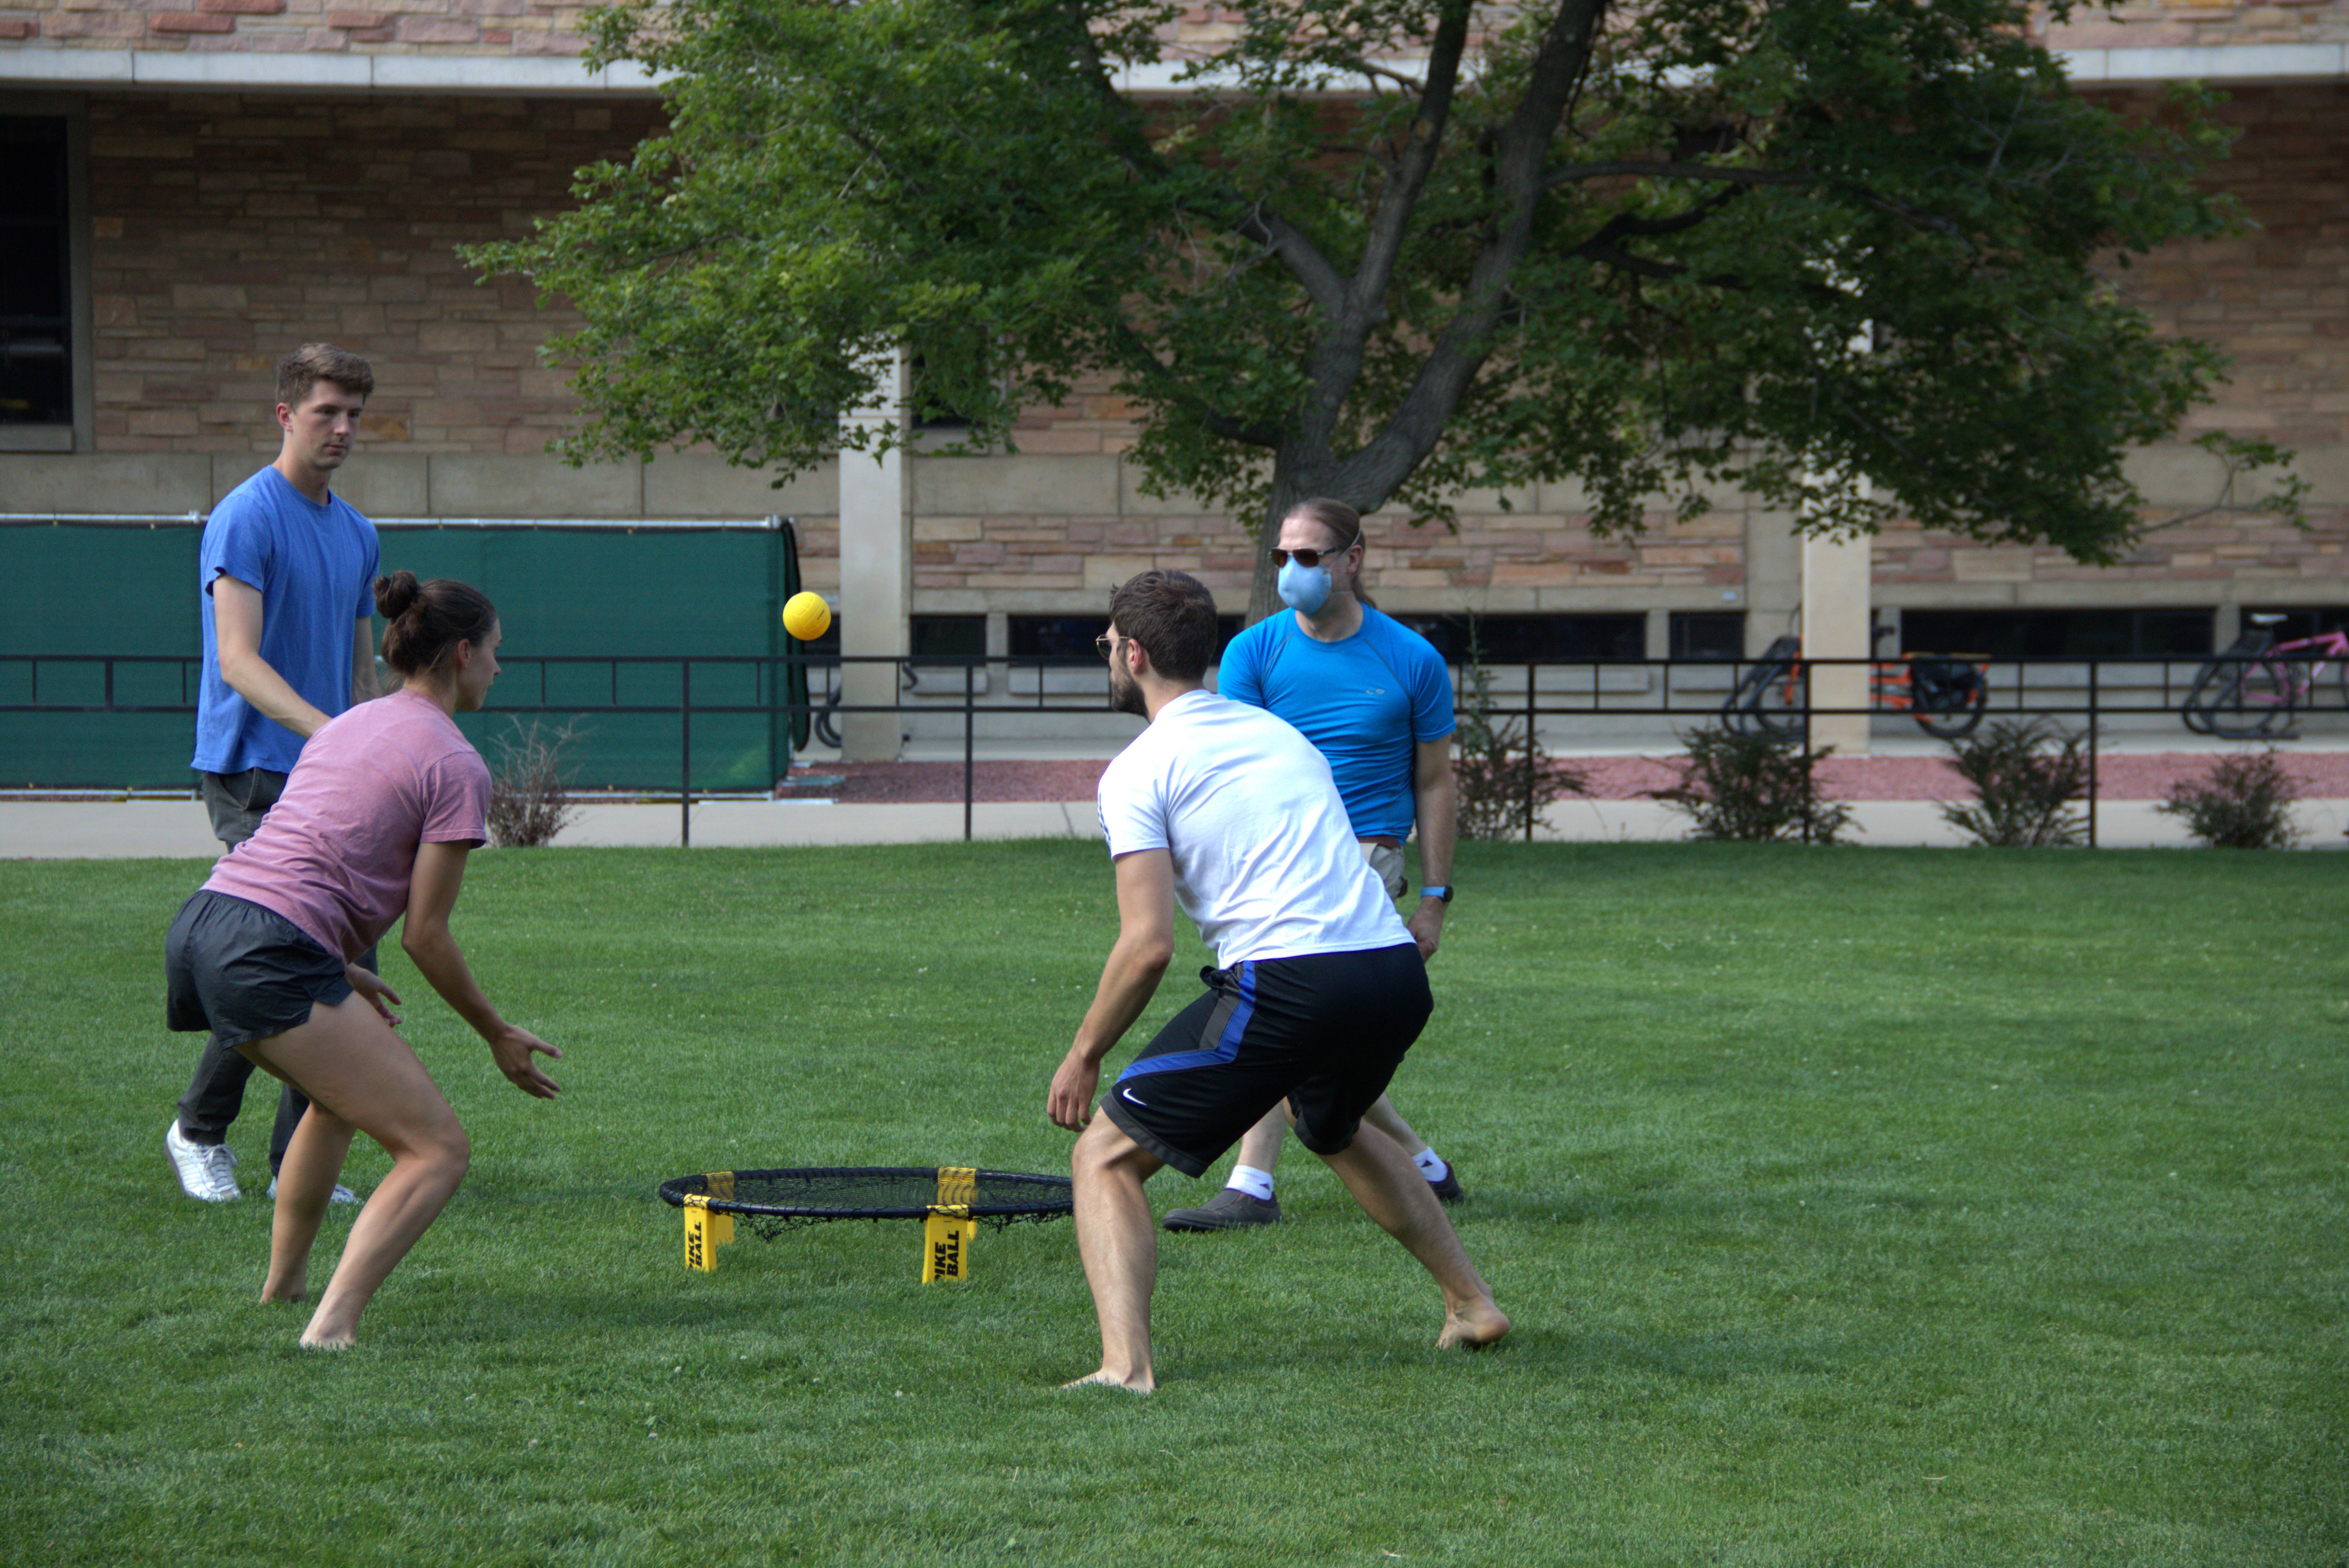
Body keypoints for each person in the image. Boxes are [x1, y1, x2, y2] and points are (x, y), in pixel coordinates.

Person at [1047, 570, 1507, 1391]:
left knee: (1106, 1156)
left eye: (1107, 642)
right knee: (1331, 1125)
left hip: (1295, 981)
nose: (1104, 654)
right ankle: (1472, 1302)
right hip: (1393, 973)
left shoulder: (1139, 770)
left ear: (1137, 653)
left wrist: (1085, 1053)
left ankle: (1126, 1367)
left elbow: (1146, 945)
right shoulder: (1278, 735)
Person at [163, 572, 562, 1350]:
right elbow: (426, 936)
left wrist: (334, 967)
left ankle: (284, 1290)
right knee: (437, 1148)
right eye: (494, 652)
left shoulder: (348, 726)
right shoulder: (456, 764)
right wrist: (495, 1032)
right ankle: (333, 1325)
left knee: (339, 1099)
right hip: (267, 949)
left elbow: (302, 855)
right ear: (460, 652)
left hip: (206, 922)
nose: (498, 668)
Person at [1159, 497, 1461, 1232]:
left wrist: (1434, 897)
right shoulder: (1253, 653)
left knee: (1282, 1010)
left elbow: (1435, 782)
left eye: (1307, 556)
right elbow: (1234, 770)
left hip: (1365, 852)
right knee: (1315, 1035)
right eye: (1280, 556)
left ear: (1351, 560)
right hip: (1278, 855)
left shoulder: (1410, 659)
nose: (1291, 569)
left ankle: (1252, 1185)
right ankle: (1424, 1164)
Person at [166, 343, 384, 1207]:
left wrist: (374, 746)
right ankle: (198, 1129)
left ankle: (300, 1161)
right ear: (285, 415)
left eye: (355, 415)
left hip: (331, 773)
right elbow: (239, 661)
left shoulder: (359, 531)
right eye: (328, 412)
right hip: (254, 766)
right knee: (275, 956)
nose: (343, 429)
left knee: (341, 959)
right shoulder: (245, 517)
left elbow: (361, 670)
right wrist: (336, 736)